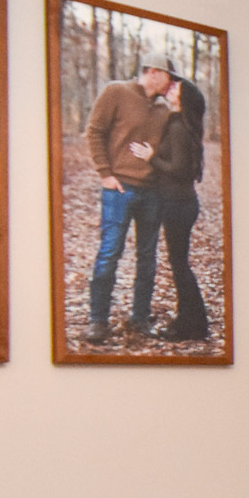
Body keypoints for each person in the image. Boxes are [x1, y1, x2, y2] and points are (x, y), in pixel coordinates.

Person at [82, 54, 173, 341]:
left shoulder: (165, 110)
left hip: (152, 192)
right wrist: (105, 173)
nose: (170, 83)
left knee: (147, 258)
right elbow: (94, 132)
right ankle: (98, 321)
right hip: (119, 189)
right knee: (110, 253)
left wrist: (157, 160)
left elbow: (169, 149)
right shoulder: (116, 92)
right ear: (154, 72)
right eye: (168, 76)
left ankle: (140, 318)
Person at [127, 77, 210, 341]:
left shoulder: (178, 127)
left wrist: (151, 157)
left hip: (178, 205)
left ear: (183, 100)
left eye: (176, 89)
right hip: (180, 203)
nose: (170, 89)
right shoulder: (179, 124)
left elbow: (179, 169)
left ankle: (192, 325)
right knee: (179, 263)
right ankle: (190, 321)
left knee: (180, 265)